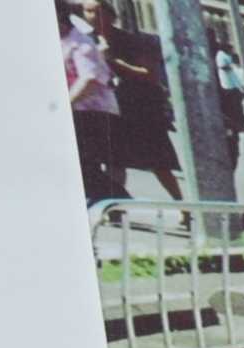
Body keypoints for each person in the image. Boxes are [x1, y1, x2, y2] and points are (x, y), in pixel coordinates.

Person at [95, 4, 185, 203]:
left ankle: (183, 207)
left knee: (158, 162)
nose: (92, 16)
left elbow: (150, 74)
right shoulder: (88, 39)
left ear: (111, 16)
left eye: (97, 12)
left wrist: (113, 61)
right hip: (112, 106)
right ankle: (114, 206)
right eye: (87, 11)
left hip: (141, 107)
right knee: (114, 160)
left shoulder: (129, 41)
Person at [61, 3, 123, 204]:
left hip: (93, 112)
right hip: (78, 110)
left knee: (91, 164)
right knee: (87, 166)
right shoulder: (64, 40)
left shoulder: (81, 42)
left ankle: (117, 201)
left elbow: (89, 79)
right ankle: (112, 202)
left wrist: (64, 105)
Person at [209, 29, 244, 177]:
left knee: (231, 151)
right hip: (222, 115)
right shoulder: (213, 62)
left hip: (228, 115)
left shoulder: (219, 58)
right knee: (229, 151)